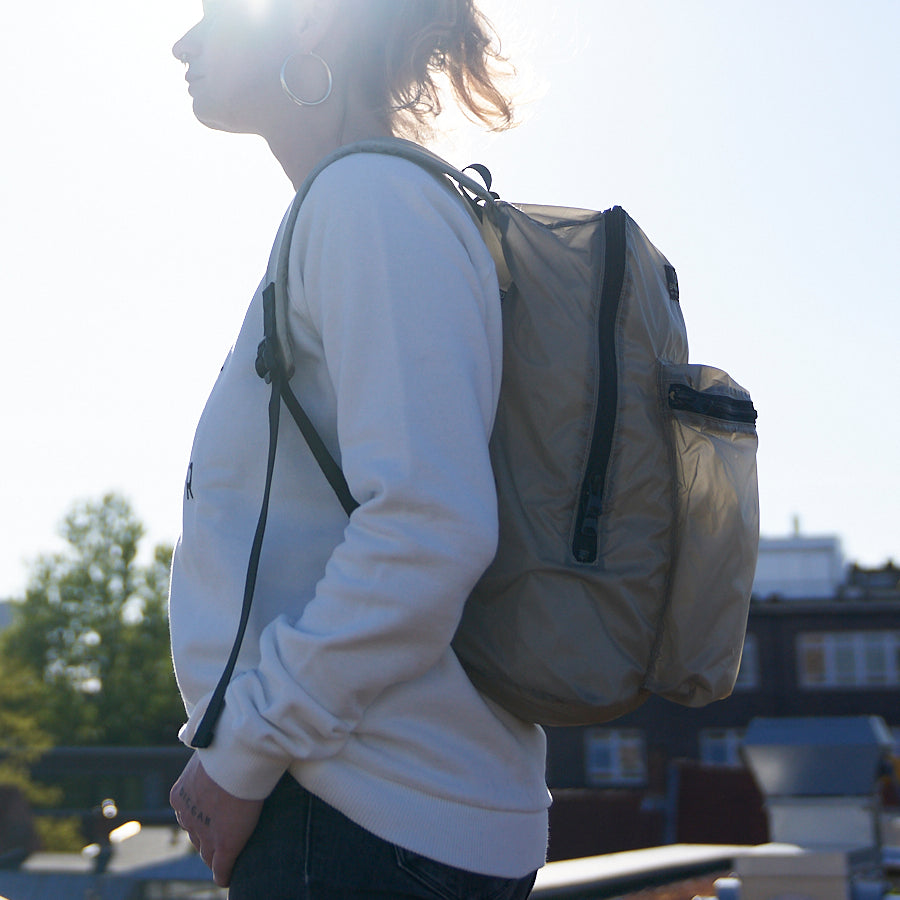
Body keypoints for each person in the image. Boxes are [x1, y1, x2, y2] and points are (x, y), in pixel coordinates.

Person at [167, 0, 550, 897]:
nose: (181, 41)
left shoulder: (367, 202)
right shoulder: (366, 204)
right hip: (377, 812)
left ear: (307, 22)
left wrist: (242, 753)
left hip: (358, 816)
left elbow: (427, 528)